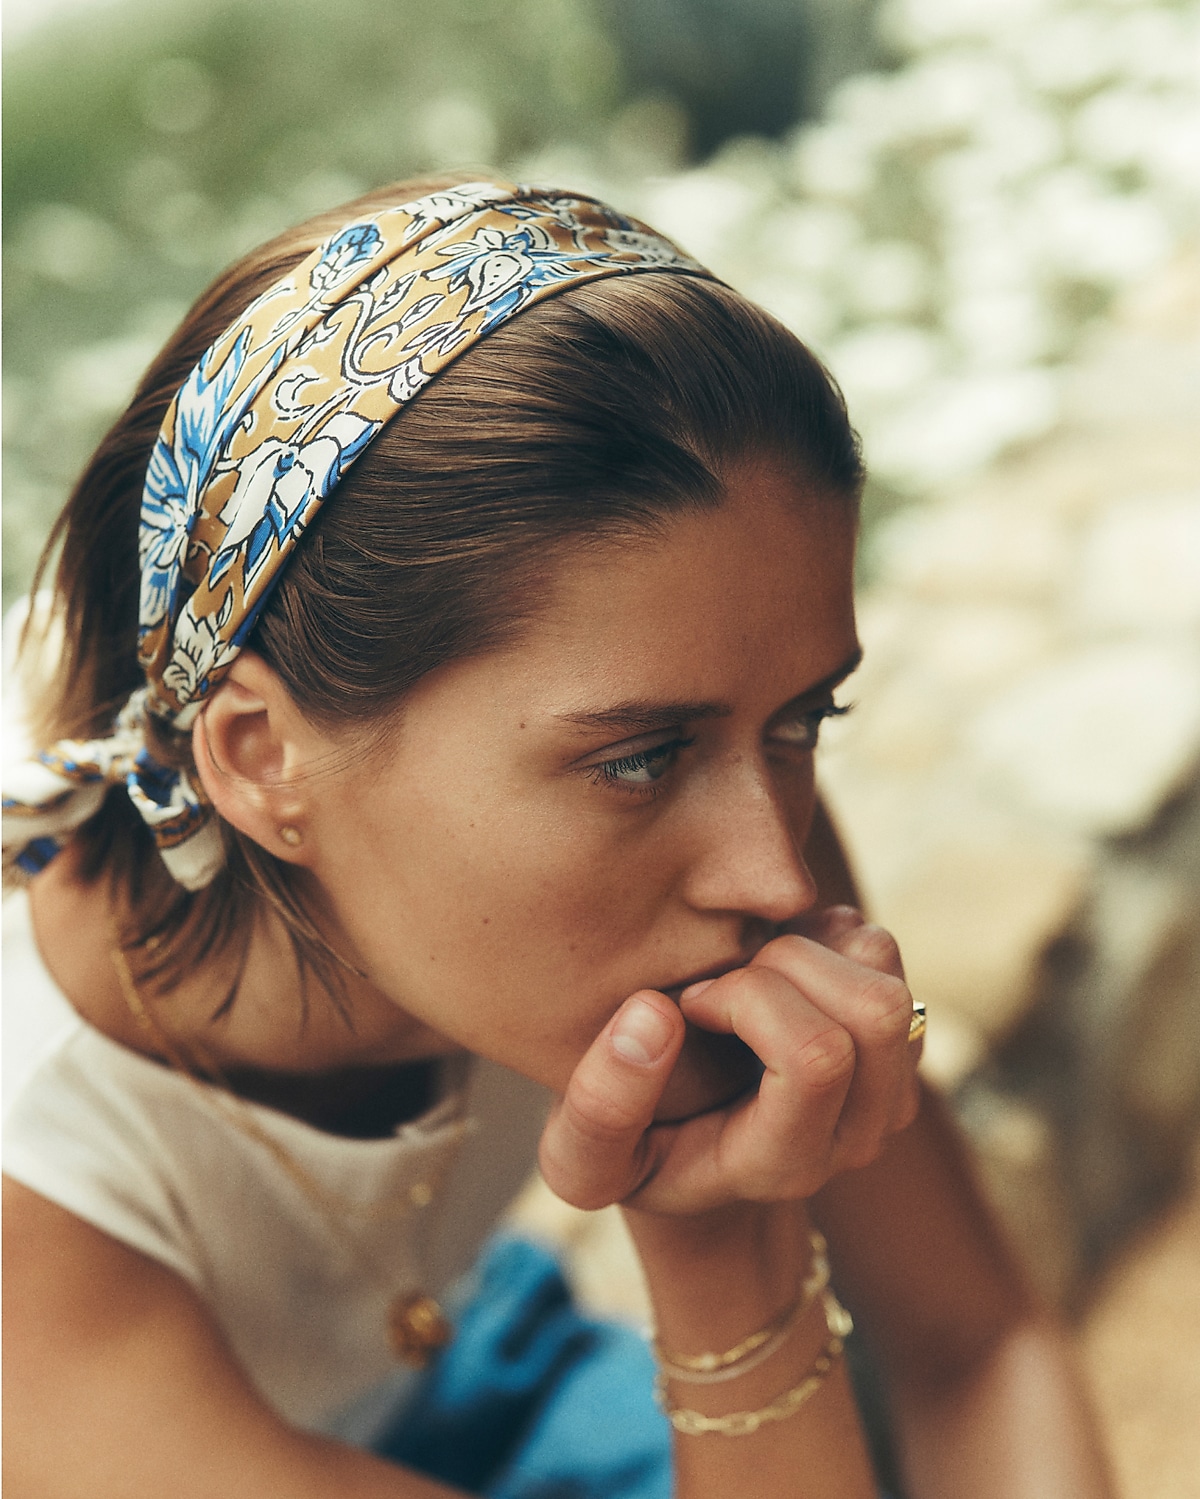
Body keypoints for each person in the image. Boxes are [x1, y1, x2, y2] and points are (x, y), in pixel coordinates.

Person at [2, 174, 1114, 1499]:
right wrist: (720, 1258)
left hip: (492, 1365)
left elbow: (976, 1353)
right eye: (642, 755)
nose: (773, 870)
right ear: (257, 757)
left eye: (803, 719)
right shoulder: (37, 1199)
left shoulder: (722, 824)